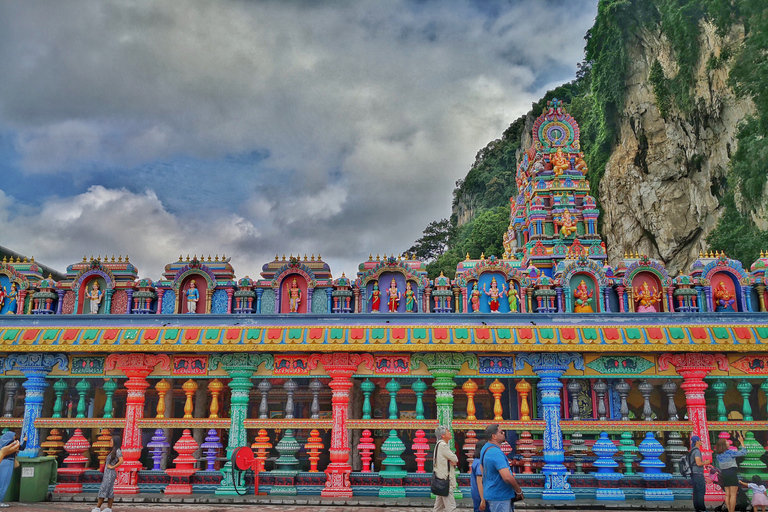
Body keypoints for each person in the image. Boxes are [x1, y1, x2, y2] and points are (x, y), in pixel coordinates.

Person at [480, 424, 524, 512]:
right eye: (501, 432)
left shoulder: (485, 448)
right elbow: (507, 477)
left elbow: (482, 470)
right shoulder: (495, 452)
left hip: (493, 493)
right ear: (494, 436)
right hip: (500, 495)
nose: (504, 433)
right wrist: (518, 490)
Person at [715, 431, 748, 512]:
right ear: (724, 445)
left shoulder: (718, 455)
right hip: (731, 472)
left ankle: (729, 510)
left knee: (727, 494)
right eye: (726, 442)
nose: (728, 443)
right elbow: (744, 452)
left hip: (724, 473)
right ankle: (732, 511)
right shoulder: (730, 452)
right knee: (733, 494)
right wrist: (742, 442)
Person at [92, 436, 123, 512]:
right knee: (109, 490)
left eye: (111, 441)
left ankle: (98, 507)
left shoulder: (118, 451)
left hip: (110, 473)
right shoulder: (113, 451)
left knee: (104, 489)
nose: (110, 443)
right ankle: (109, 508)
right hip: (107, 473)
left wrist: (113, 467)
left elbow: (121, 460)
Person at [432, 425, 458, 512]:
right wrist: (453, 460)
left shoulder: (438, 444)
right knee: (451, 507)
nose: (450, 433)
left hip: (440, 479)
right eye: (448, 431)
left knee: (438, 508)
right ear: (443, 435)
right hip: (445, 480)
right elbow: (454, 458)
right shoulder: (443, 445)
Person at [0, 432, 25, 508]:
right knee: (4, 483)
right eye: (14, 435)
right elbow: (21, 447)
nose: (14, 437)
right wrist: (23, 441)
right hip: (8, 462)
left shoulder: (2, 443)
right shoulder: (11, 443)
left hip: (3, 461)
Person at [689, 435, 706, 512]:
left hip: (693, 473)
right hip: (698, 474)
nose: (701, 441)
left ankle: (697, 508)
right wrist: (706, 462)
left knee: (696, 491)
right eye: (700, 440)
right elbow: (698, 463)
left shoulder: (692, 450)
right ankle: (701, 508)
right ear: (696, 441)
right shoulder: (696, 451)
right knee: (700, 491)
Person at [470, 440, 488, 512]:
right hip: (481, 495)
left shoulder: (476, 461)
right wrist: (483, 499)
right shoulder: (479, 462)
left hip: (476, 494)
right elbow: (480, 482)